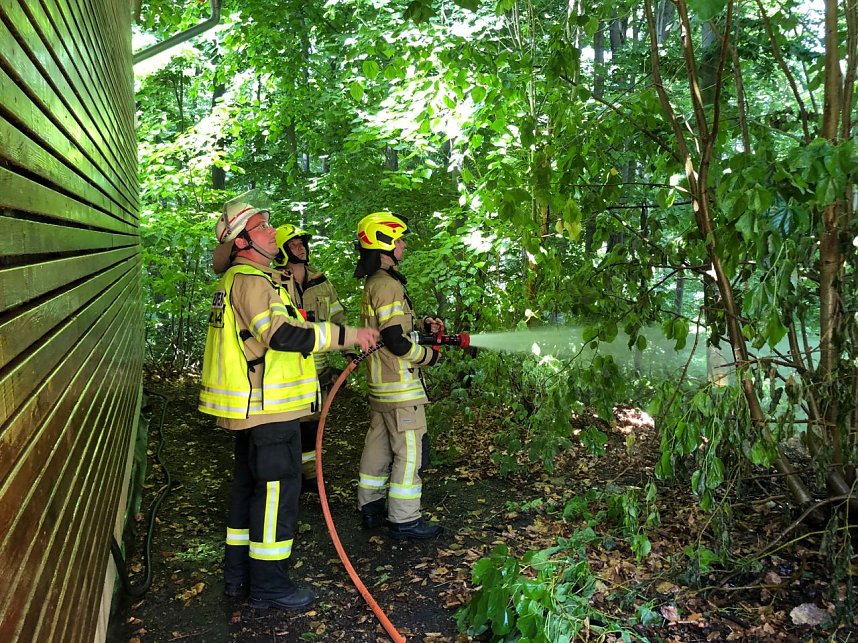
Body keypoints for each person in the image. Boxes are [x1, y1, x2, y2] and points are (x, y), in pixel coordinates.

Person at [199, 199, 379, 610]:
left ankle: (238, 577)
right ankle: (270, 585)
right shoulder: (250, 280)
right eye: (263, 226)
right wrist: (345, 335)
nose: (272, 231)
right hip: (270, 410)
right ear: (242, 240)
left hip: (254, 411)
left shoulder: (247, 279)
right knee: (277, 495)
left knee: (249, 489)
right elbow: (280, 335)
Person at [353, 211, 443, 540]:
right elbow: (393, 340)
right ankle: (405, 520)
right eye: (399, 239)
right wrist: (427, 356)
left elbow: (391, 326)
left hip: (380, 387)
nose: (404, 245)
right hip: (401, 388)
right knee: (409, 451)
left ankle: (371, 507)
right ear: (385, 245)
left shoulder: (375, 282)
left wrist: (422, 325)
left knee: (377, 448)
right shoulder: (388, 285)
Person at [272, 223, 347, 491]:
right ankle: (292, 476)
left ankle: (311, 477)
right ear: (281, 251)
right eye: (293, 245)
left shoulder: (321, 282)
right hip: (288, 371)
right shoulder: (273, 282)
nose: (300, 248)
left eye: (302, 243)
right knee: (292, 427)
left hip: (319, 372)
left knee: (314, 427)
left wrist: (350, 351)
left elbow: (338, 317)